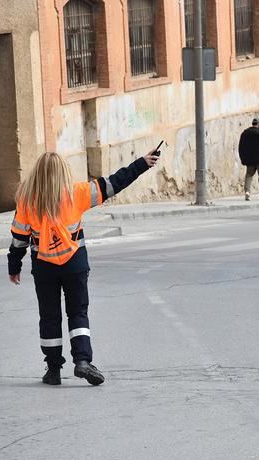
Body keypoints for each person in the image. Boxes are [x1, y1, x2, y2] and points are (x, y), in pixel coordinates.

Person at [8, 150, 159, 386]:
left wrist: (14, 266)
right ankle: (82, 361)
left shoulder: (27, 201)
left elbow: (19, 239)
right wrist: (141, 164)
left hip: (44, 267)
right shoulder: (77, 193)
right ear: (63, 172)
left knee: (49, 316)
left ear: (37, 174)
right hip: (75, 264)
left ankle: (53, 370)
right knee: (77, 312)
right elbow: (114, 183)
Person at [238, 118, 259, 201]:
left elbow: (241, 147)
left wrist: (243, 158)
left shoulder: (245, 133)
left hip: (250, 159)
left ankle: (247, 192)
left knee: (249, 175)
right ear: (258, 124)